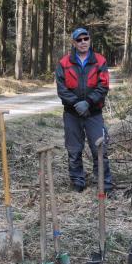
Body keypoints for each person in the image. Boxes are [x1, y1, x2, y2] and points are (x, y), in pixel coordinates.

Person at [55, 27, 113, 193]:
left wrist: (88, 102)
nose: (83, 42)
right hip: (72, 114)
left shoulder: (100, 61)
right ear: (74, 42)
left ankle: (105, 185)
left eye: (85, 39)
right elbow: (61, 89)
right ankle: (78, 184)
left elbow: (103, 86)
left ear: (90, 40)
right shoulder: (64, 63)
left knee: (100, 150)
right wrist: (76, 104)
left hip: (93, 113)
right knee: (74, 150)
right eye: (79, 40)